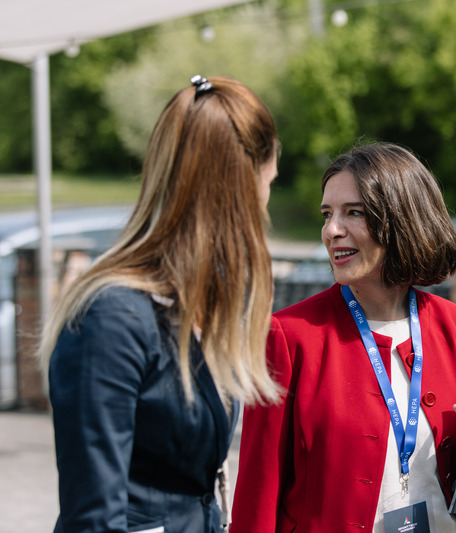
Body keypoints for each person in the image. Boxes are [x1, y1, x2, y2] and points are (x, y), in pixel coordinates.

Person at [232, 142, 456, 532]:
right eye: (327, 214)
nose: (332, 230)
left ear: (403, 219)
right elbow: (257, 494)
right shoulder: (287, 336)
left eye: (354, 212)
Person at [39, 75, 281, 533]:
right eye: (267, 184)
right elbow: (94, 519)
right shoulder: (111, 318)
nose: (265, 208)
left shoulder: (196, 310)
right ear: (241, 190)